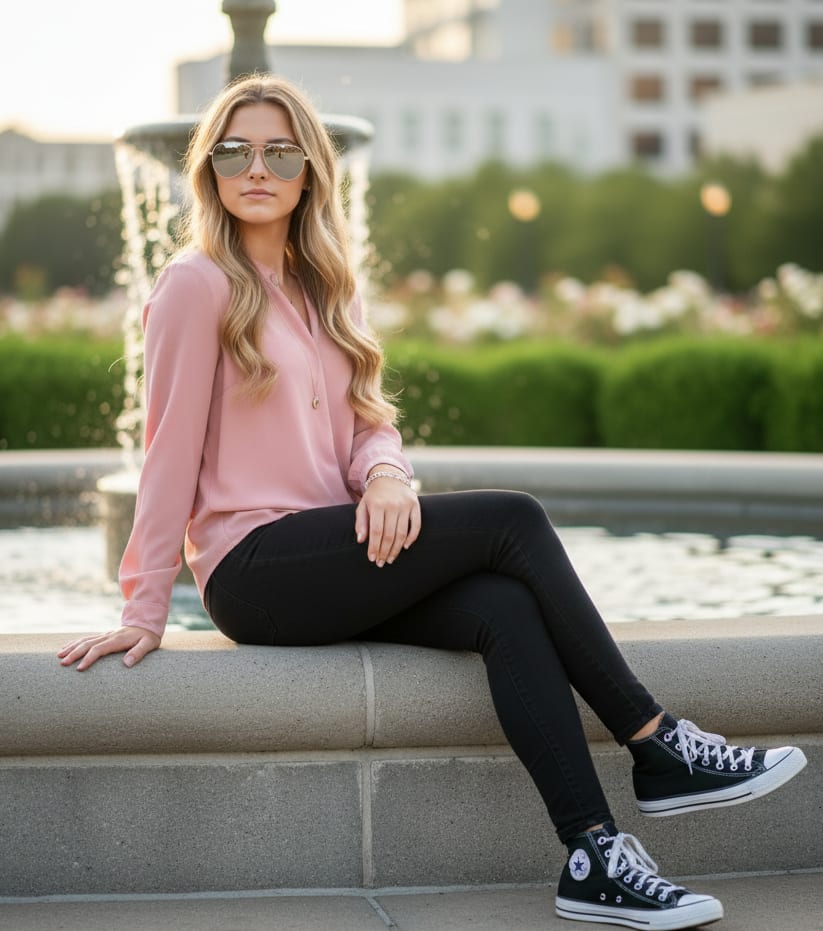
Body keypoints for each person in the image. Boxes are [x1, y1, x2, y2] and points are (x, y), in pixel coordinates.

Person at [58, 74, 807, 930]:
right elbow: (166, 450)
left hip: (337, 550)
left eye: (277, 150)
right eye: (233, 150)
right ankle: (654, 739)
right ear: (209, 170)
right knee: (512, 519)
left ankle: (593, 855)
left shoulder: (321, 286)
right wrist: (143, 604)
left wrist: (386, 477)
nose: (254, 167)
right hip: (255, 565)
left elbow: (370, 424)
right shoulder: (194, 285)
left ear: (310, 170)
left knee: (503, 606)